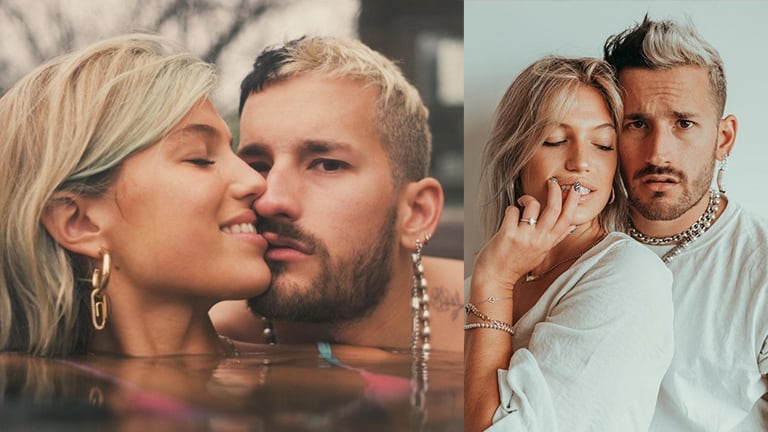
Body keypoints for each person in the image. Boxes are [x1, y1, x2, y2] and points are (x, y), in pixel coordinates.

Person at [0, 34, 270, 357]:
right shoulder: (23, 395)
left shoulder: (333, 372)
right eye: (200, 158)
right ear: (79, 222)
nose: (255, 181)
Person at [209, 36, 464, 353]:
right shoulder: (212, 341)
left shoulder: (490, 322)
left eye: (327, 165)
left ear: (416, 213)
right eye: (258, 165)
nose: (271, 200)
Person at [464, 56, 674, 431]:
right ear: (516, 159)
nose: (581, 162)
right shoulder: (479, 280)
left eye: (603, 144)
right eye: (555, 140)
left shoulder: (630, 278)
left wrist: (494, 283)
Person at [604, 16, 768, 431]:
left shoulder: (759, 265)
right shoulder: (574, 244)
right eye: (637, 124)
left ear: (724, 138)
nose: (659, 153)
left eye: (684, 123)